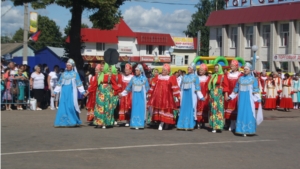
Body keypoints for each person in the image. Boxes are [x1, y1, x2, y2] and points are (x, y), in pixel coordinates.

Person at [228, 62, 263, 137]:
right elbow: (236, 90)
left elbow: (256, 90)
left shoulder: (253, 79)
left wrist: (258, 98)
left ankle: (249, 130)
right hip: (241, 100)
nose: (245, 70)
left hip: (249, 100)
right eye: (244, 69)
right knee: (241, 113)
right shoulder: (240, 79)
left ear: (250, 70)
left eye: (247, 69)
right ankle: (241, 130)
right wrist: (230, 97)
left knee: (249, 113)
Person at [53, 59, 86, 127]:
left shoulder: (75, 74)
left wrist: (83, 92)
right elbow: (59, 83)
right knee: (63, 106)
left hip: (71, 93)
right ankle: (62, 122)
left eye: (69, 65)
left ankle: (72, 121)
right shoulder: (63, 74)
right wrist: (55, 92)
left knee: (70, 106)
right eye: (67, 65)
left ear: (72, 66)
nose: (67, 66)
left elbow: (79, 84)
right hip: (64, 93)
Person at [147, 64, 180, 130]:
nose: (163, 71)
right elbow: (153, 86)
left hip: (167, 97)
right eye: (162, 70)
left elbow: (174, 88)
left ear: (168, 72)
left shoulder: (170, 78)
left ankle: (164, 123)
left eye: (165, 70)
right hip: (158, 97)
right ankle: (162, 123)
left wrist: (178, 95)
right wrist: (150, 93)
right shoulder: (158, 77)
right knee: (160, 110)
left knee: (166, 110)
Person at [119, 64, 150, 130]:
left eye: (137, 70)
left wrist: (148, 98)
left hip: (142, 98)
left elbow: (148, 90)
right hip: (135, 98)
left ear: (140, 71)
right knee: (135, 110)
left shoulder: (144, 79)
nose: (135, 71)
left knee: (141, 110)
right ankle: (134, 123)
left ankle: (140, 123)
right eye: (135, 70)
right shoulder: (133, 79)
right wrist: (122, 94)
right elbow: (128, 88)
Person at [177, 63, 204, 131]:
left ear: (193, 69)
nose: (188, 69)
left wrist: (201, 97)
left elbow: (198, 88)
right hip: (184, 96)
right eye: (188, 67)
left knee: (191, 109)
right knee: (183, 109)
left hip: (191, 96)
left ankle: (190, 124)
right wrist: (179, 96)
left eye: (190, 68)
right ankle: (182, 125)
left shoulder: (195, 77)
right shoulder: (184, 77)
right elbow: (181, 88)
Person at [93, 63, 120, 128]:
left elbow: (114, 84)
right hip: (100, 93)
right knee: (100, 108)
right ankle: (99, 122)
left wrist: (118, 92)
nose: (101, 67)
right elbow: (94, 84)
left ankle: (106, 123)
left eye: (103, 66)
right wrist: (88, 91)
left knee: (107, 108)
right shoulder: (99, 75)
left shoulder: (110, 75)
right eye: (101, 66)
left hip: (107, 93)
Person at [208, 64, 229, 133]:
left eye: (217, 68)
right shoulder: (213, 76)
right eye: (215, 68)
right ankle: (213, 126)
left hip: (219, 94)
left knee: (219, 110)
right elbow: (210, 85)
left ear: (220, 69)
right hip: (213, 93)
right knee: (212, 109)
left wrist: (226, 94)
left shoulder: (223, 76)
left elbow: (226, 86)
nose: (216, 69)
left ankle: (218, 126)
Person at [224, 60, 242, 131]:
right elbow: (226, 85)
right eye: (231, 65)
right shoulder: (228, 74)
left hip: (237, 94)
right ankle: (230, 123)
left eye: (233, 65)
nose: (231, 66)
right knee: (229, 109)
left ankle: (234, 124)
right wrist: (226, 94)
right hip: (230, 93)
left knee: (236, 108)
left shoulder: (240, 75)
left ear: (236, 67)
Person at [196, 64, 210, 129]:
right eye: (200, 70)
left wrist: (207, 95)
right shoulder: (196, 77)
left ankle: (203, 122)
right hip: (197, 95)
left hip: (204, 94)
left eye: (202, 70)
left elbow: (208, 88)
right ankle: (198, 122)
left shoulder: (207, 78)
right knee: (198, 107)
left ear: (205, 71)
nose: (200, 71)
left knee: (204, 108)